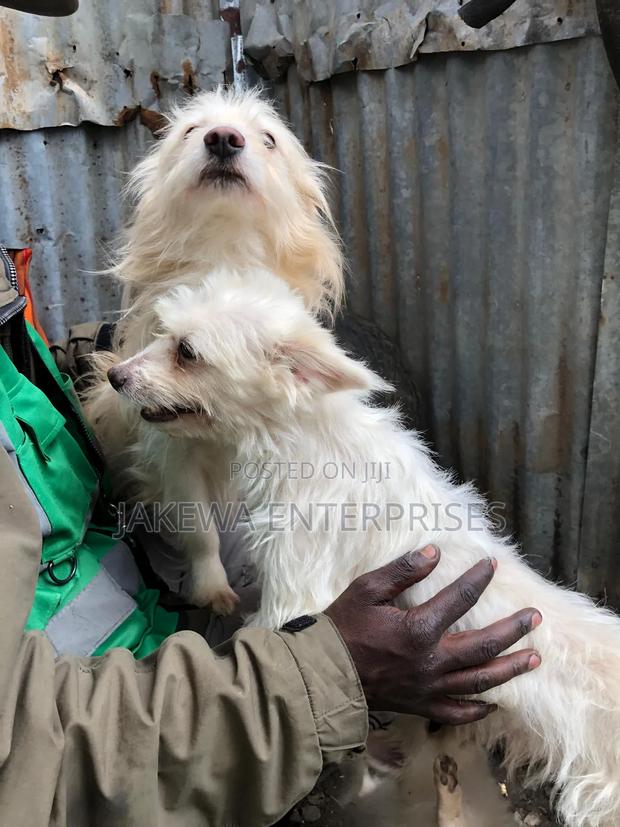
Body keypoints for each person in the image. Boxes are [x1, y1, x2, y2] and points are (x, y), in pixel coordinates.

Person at [0, 5, 542, 825]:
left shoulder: (291, 338)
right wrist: (315, 668)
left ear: (303, 193)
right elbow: (30, 749)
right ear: (151, 186)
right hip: (136, 680)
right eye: (195, 134)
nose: (224, 140)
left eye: (262, 138)